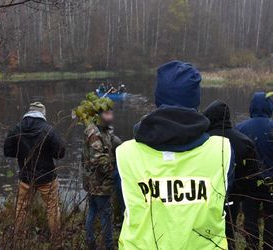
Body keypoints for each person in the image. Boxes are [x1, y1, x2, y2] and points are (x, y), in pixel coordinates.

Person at [116, 60, 233, 249]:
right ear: (196, 100)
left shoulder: (126, 154)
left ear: (158, 99)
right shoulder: (222, 150)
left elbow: (125, 206)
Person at [3, 102, 65, 246]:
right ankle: (56, 240)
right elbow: (60, 153)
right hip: (47, 178)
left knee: (21, 209)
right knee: (52, 209)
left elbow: (8, 150)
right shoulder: (48, 130)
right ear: (43, 114)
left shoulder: (17, 129)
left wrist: (22, 153)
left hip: (25, 178)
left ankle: (18, 240)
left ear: (29, 112)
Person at [203, 100, 259, 250]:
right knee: (229, 230)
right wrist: (241, 193)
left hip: (207, 196)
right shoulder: (244, 140)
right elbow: (252, 172)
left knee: (210, 232)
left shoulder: (203, 140)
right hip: (235, 195)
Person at [236, 92, 273, 250]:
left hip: (248, 184)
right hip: (271, 183)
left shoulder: (240, 128)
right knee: (271, 221)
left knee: (250, 220)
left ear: (251, 107)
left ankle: (250, 246)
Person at [82, 106, 116, 250]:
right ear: (99, 116)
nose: (111, 116)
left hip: (93, 181)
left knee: (94, 209)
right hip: (99, 182)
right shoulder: (94, 132)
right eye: (107, 113)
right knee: (105, 213)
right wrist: (113, 173)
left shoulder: (104, 130)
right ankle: (108, 245)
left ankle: (90, 240)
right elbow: (99, 159)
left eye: (111, 112)